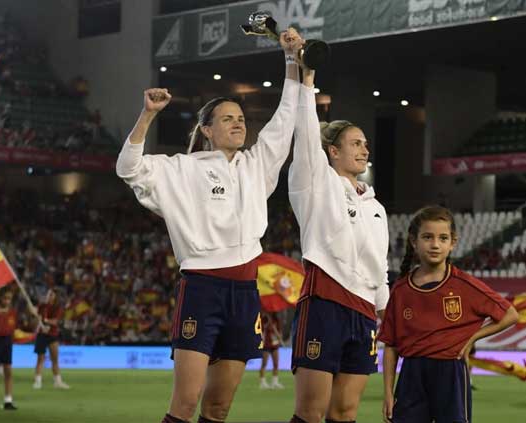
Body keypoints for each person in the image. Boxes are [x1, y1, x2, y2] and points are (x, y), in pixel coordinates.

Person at [116, 28, 303, 423]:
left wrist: (290, 59)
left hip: (244, 292)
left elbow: (285, 122)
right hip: (202, 288)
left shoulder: (257, 166)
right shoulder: (181, 169)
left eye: (240, 118)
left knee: (218, 407)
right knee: (185, 405)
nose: (238, 124)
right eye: (227, 119)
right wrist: (148, 115)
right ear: (207, 130)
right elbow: (128, 168)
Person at [287, 64, 390, 423]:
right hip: (324, 304)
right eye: (355, 143)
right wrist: (308, 84)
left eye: (365, 143)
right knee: (311, 413)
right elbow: (305, 135)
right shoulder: (316, 184)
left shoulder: (376, 207)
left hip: (363, 315)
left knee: (345, 413)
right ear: (332, 151)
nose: (365, 149)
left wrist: (383, 311)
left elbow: (382, 268)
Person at [379, 206, 518, 423]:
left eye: (443, 238)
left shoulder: (464, 284)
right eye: (427, 237)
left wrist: (472, 338)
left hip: (451, 372)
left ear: (452, 243)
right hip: (412, 374)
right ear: (414, 241)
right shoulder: (400, 289)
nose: (435, 244)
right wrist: (388, 392)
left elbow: (511, 314)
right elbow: (391, 346)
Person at [33, 288, 69, 389]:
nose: (49, 296)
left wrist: (45, 320)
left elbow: (56, 321)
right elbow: (35, 315)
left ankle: (57, 382)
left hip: (52, 335)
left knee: (55, 359)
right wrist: (33, 311)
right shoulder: (42, 306)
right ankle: (38, 381)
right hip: (41, 335)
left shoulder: (58, 308)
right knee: (40, 359)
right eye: (48, 294)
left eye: (51, 294)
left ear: (55, 297)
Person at [259, 312, 283, 390]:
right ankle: (262, 382)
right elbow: (261, 331)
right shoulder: (263, 320)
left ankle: (275, 382)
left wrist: (279, 336)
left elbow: (279, 331)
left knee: (276, 363)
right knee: (264, 363)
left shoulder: (276, 320)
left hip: (274, 344)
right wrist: (267, 324)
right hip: (266, 344)